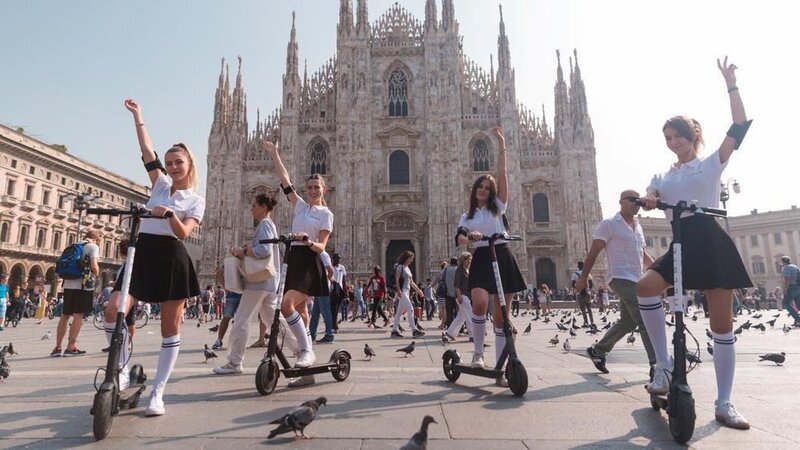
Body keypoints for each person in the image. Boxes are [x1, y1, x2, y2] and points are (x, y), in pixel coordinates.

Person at [636, 57, 752, 429]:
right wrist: (650, 196)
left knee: (722, 326)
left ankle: (724, 402)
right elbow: (651, 189)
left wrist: (731, 84)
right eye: (668, 138)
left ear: (692, 136)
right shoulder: (663, 174)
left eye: (678, 136)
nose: (673, 143)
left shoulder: (711, 165)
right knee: (645, 286)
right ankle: (665, 367)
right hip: (681, 242)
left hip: (710, 239)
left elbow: (739, 126)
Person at [102, 98, 205, 417]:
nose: (173, 167)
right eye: (170, 162)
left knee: (169, 328)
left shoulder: (195, 200)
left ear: (189, 166)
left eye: (179, 163)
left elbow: (184, 233)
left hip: (171, 258)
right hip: (141, 252)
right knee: (113, 309)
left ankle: (158, 392)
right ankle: (120, 369)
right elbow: (148, 152)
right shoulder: (159, 183)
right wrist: (138, 117)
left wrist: (171, 214)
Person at [455, 126, 527, 382]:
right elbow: (459, 237)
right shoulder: (467, 216)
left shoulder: (498, 208)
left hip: (503, 256)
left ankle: (500, 367)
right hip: (483, 258)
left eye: (488, 187)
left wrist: (502, 145)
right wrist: (469, 238)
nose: (484, 189)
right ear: (474, 190)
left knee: (501, 317)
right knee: (481, 303)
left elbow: (503, 174)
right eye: (480, 187)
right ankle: (477, 353)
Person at [262, 139, 332, 387]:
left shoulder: (326, 214)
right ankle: (307, 373)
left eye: (317, 187)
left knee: (286, 304)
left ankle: (305, 351)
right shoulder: (300, 206)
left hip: (309, 260)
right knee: (301, 313)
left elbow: (323, 245)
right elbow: (285, 181)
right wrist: (275, 154)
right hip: (293, 259)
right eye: (310, 187)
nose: (313, 190)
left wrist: (308, 241)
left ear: (324, 189)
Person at [214, 194, 297, 375]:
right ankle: (301, 350)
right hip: (269, 283)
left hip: (258, 282)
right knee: (272, 321)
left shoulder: (265, 224)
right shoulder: (269, 225)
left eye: (254, 205)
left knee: (242, 321)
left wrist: (242, 251)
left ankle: (234, 363)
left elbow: (263, 250)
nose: (251, 209)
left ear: (263, 207)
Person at [577, 189, 657, 374]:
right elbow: (594, 251)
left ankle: (598, 350)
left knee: (629, 322)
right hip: (620, 278)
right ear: (621, 202)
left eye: (638, 200)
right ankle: (657, 365)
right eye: (632, 200)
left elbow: (643, 255)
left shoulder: (638, 226)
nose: (636, 203)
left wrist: (658, 272)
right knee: (644, 318)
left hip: (637, 279)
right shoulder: (609, 224)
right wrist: (583, 278)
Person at [52, 229, 100, 356]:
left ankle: (57, 347)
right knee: (78, 315)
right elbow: (94, 266)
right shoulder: (92, 246)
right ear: (95, 239)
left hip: (68, 285)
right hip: (83, 286)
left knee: (65, 315)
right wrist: (97, 274)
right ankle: (71, 346)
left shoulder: (73, 245)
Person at [390, 251, 426, 338]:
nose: (411, 260)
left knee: (399, 312)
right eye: (411, 258)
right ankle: (414, 330)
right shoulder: (400, 267)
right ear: (406, 258)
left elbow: (411, 282)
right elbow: (397, 280)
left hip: (407, 291)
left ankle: (394, 331)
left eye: (412, 259)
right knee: (410, 309)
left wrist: (419, 291)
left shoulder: (407, 268)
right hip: (402, 291)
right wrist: (398, 291)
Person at [443, 252, 473, 342]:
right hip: (462, 295)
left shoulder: (466, 270)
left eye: (470, 260)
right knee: (469, 315)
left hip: (466, 295)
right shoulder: (459, 270)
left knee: (461, 316)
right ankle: (472, 335)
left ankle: (450, 333)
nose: (470, 262)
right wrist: (459, 296)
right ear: (463, 260)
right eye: (468, 260)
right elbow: (456, 284)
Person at [310, 251, 336, 344]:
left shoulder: (322, 254)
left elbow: (331, 270)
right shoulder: (316, 254)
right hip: (318, 287)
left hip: (323, 287)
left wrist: (328, 281)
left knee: (325, 312)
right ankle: (312, 335)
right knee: (315, 313)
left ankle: (329, 336)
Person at [571, 261, 595, 327]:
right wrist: (588, 290)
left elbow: (573, 284)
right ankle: (592, 322)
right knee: (589, 308)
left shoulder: (575, 274)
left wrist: (577, 289)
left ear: (578, 266)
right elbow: (591, 284)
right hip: (587, 293)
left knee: (583, 309)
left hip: (580, 293)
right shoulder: (587, 274)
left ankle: (586, 322)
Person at [780, 256, 800, 326]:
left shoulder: (786, 267)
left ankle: (798, 319)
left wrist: (785, 288)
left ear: (783, 261)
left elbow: (787, 279)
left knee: (786, 303)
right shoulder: (795, 266)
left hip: (791, 288)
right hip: (798, 287)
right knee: (798, 305)